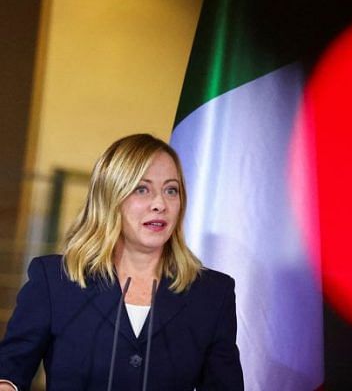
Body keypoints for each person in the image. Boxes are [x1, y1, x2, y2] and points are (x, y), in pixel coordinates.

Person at [0, 134, 244, 390]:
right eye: (142, 189)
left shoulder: (212, 293)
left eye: (171, 190)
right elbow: (11, 369)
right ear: (110, 198)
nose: (160, 204)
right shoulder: (55, 280)